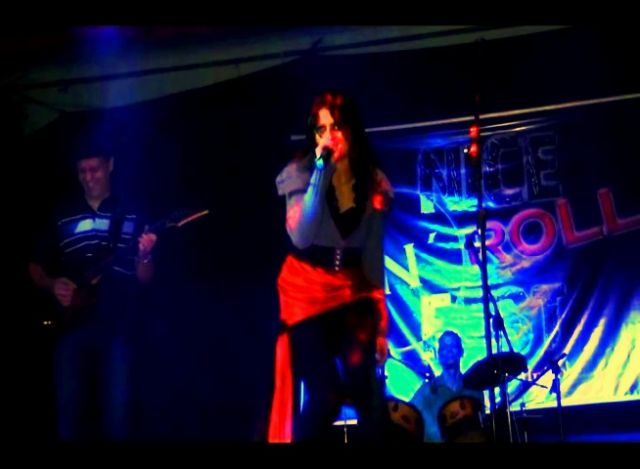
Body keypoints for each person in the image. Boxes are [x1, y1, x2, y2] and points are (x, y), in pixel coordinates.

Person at [268, 91, 394, 442]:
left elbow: (373, 256)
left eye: (335, 126)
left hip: (352, 291)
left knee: (369, 394)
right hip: (306, 292)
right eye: (320, 129)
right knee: (326, 394)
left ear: (350, 129)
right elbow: (302, 236)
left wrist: (381, 326)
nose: (328, 136)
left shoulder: (373, 181)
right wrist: (320, 174)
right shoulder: (301, 173)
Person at [28, 144, 157, 441]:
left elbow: (145, 277)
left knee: (118, 414)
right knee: (69, 413)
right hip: (72, 326)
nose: (88, 177)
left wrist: (146, 255)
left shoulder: (133, 211)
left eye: (94, 169)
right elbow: (34, 266)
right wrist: (52, 283)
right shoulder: (62, 214)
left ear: (110, 165)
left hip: (119, 324)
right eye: (82, 171)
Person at [410, 330, 486, 442]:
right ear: (439, 355)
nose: (449, 351)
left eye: (453, 346)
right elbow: (409, 416)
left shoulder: (474, 390)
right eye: (444, 348)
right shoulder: (427, 390)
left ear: (461, 352)